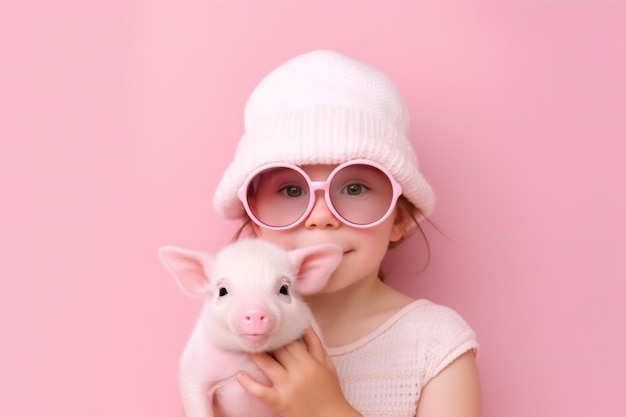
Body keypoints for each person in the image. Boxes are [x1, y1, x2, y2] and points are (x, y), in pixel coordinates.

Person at [211, 50, 481, 417]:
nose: (321, 216)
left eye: (354, 188)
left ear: (400, 218)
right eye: (292, 190)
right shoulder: (233, 332)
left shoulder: (434, 344)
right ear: (255, 219)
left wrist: (327, 409)